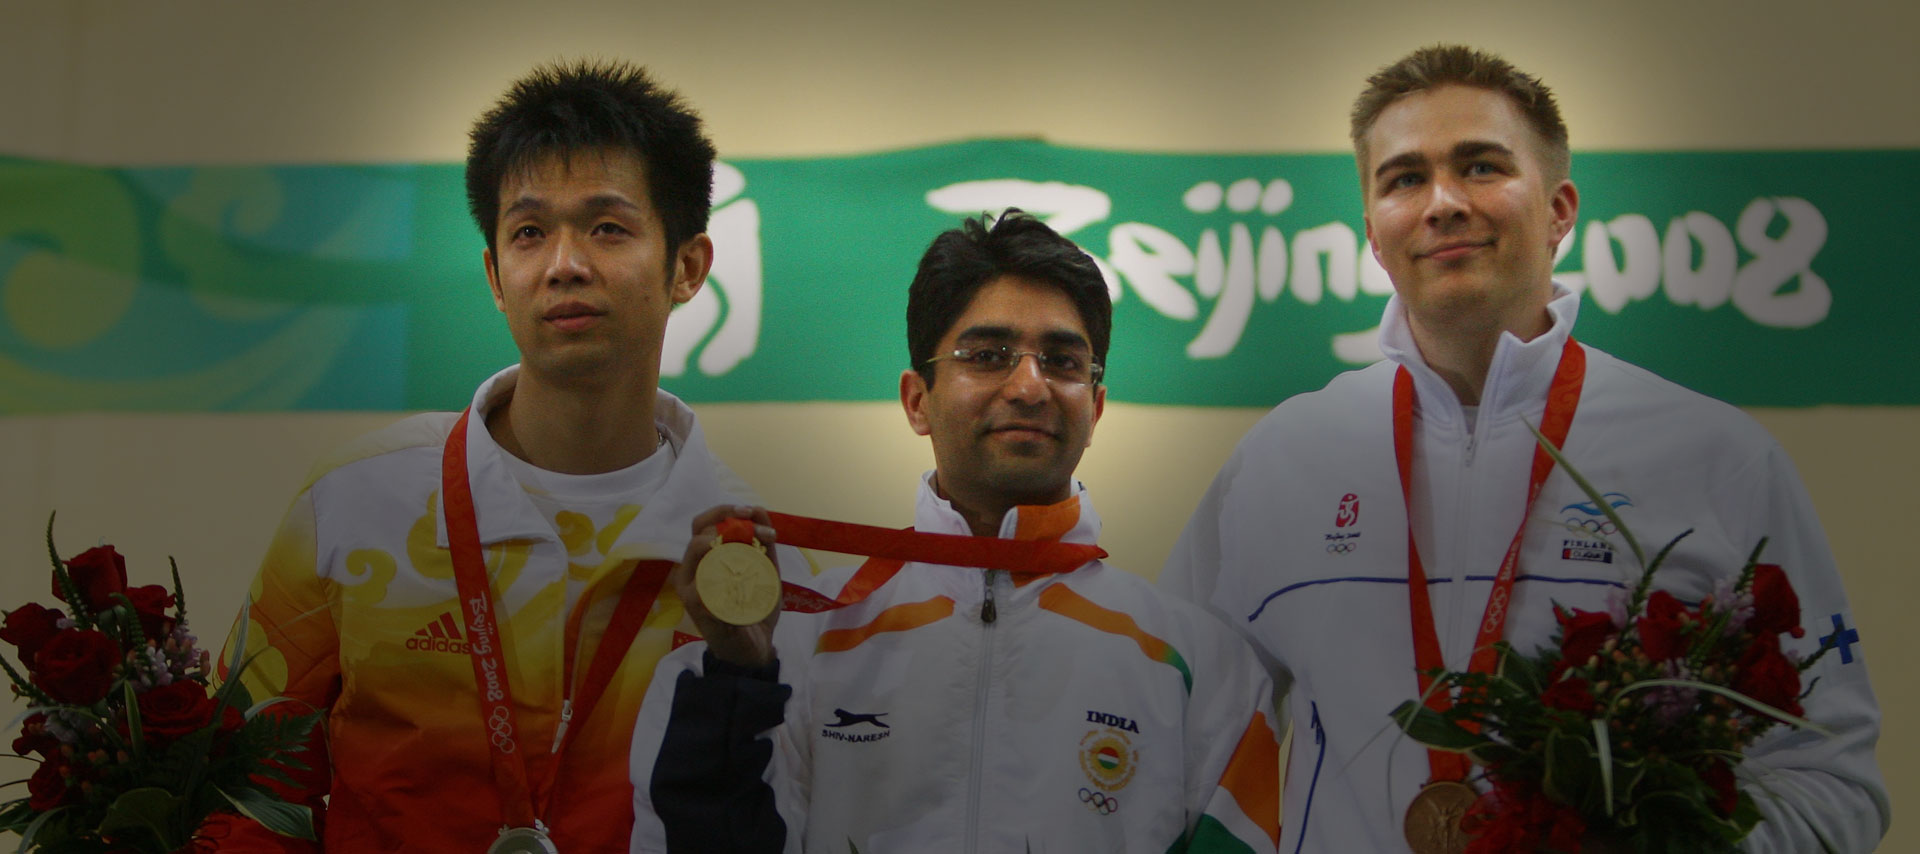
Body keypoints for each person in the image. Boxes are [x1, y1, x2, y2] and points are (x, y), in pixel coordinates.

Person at [1159, 44, 1888, 853]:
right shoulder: (1279, 461)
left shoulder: (1717, 456)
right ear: (1373, 233)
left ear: (1559, 210)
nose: (1442, 202)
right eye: (1404, 178)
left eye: (1480, 166)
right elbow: (1175, 734)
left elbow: (1831, 780)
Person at [209, 60, 806, 852]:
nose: (564, 263)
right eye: (529, 232)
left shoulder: (743, 563)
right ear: (495, 274)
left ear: (688, 268)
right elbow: (237, 788)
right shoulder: (357, 500)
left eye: (608, 227)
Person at [629, 210, 1282, 853]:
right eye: (988, 355)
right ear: (918, 400)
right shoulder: (798, 647)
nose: (1030, 386)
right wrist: (737, 681)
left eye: (1062, 361)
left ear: (1097, 405)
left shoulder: (1202, 666)